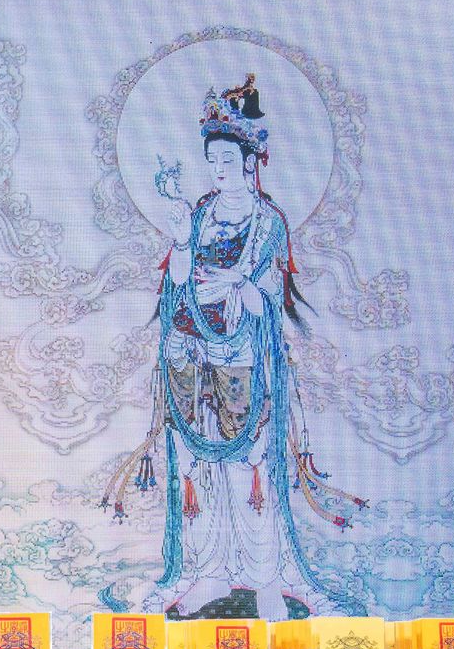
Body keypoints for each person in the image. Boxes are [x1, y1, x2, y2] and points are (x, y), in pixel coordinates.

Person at [107, 74, 362, 620]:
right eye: (212, 160)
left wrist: (239, 285)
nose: (218, 168)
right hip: (192, 354)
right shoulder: (200, 213)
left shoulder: (267, 222)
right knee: (196, 471)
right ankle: (207, 574)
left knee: (252, 471)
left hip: (243, 359)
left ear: (250, 161)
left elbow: (268, 298)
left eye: (227, 158)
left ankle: (265, 579)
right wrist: (181, 236)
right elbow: (178, 280)